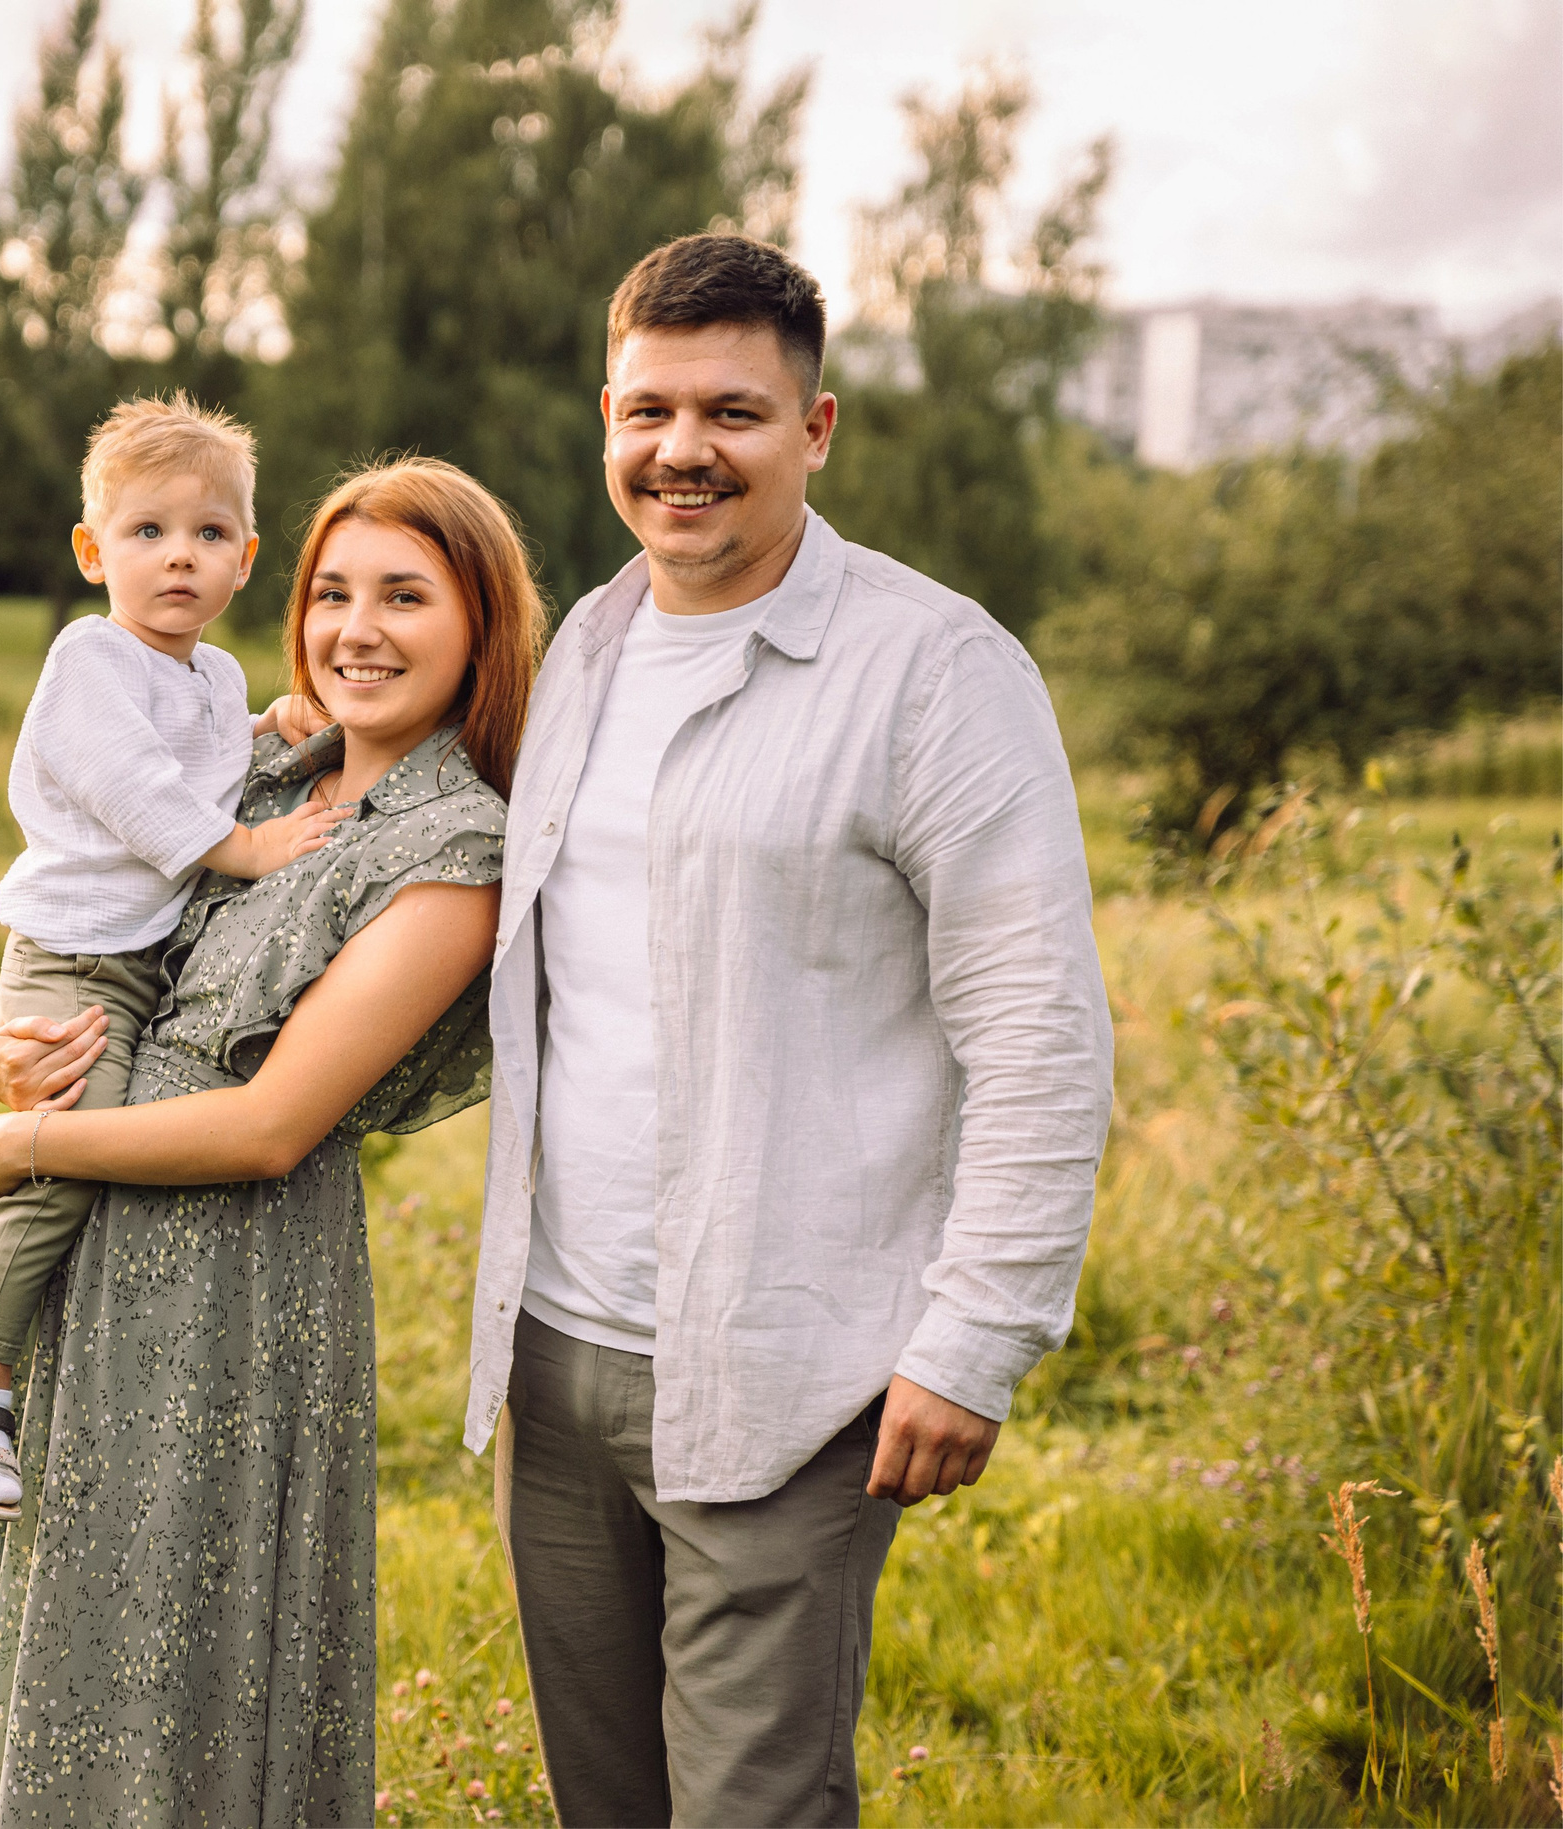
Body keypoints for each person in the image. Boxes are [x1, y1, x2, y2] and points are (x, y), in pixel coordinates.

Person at [467, 233, 1114, 1826]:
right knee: (602, 1801)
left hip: (790, 1365)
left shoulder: (934, 670)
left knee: (752, 1805)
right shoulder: (583, 656)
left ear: (814, 431)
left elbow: (1037, 1027)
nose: (684, 452)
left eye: (735, 414)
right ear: (606, 418)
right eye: (650, 411)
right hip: (553, 1358)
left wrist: (978, 1335)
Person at [0, 458, 544, 1826]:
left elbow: (268, 1127)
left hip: (228, 1299)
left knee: (169, 1691)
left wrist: (23, 1149)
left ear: (479, 626)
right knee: (26, 1689)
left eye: (406, 597)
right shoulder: (254, 770)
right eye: (333, 593)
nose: (358, 628)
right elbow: (85, 941)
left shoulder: (457, 854)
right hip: (78, 1268)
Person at [0, 394, 347, 1519]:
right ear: (92, 550)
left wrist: (266, 732)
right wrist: (244, 846)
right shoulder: (89, 657)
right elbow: (135, 788)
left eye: (208, 535)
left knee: (86, 1148)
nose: (178, 559)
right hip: (71, 957)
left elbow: (192, 759)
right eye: (146, 532)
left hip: (134, 963)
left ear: (246, 559)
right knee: (70, 1151)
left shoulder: (209, 677)